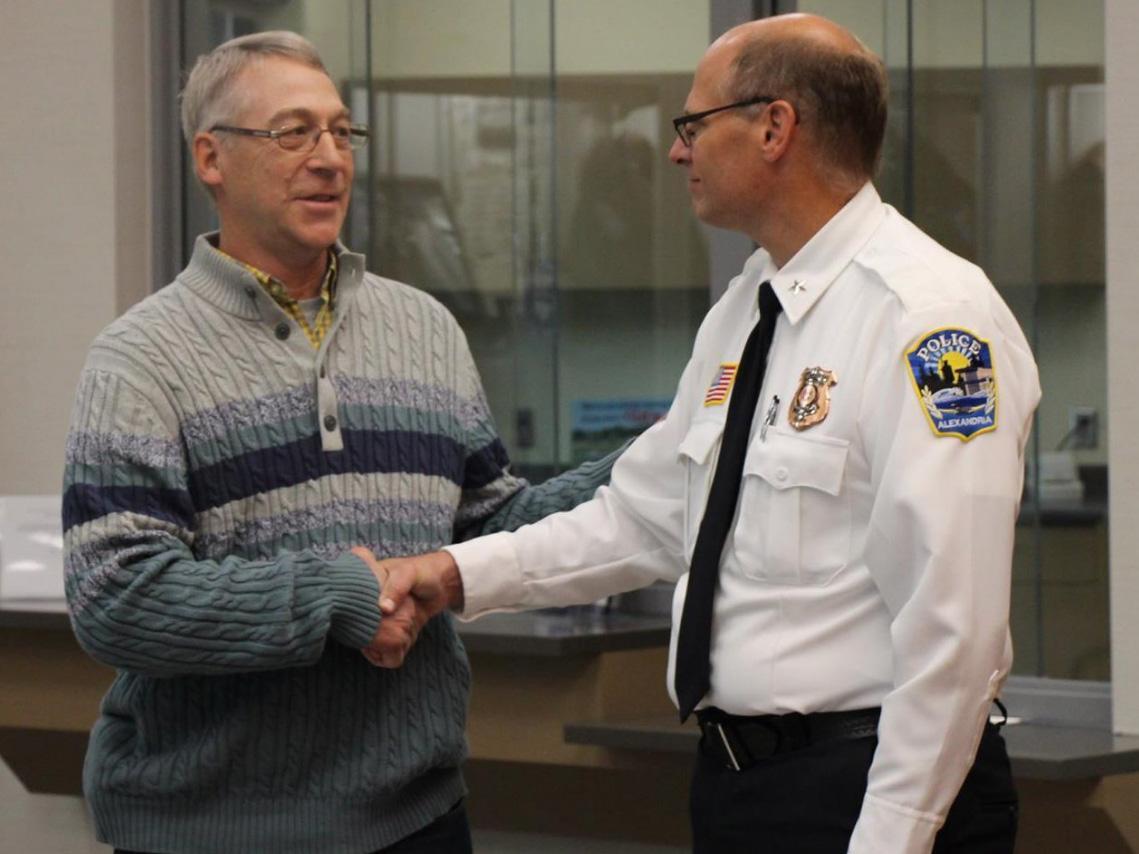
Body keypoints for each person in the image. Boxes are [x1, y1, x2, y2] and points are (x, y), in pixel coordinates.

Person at [375, 13, 1040, 854]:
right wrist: (453, 573)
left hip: (872, 791)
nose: (675, 151)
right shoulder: (745, 311)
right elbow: (645, 517)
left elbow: (953, 624)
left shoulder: (929, 318)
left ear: (773, 127)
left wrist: (890, 840)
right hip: (741, 786)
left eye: (692, 125)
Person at [62, 30, 617, 854]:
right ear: (210, 158)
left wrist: (657, 462)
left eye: (340, 132)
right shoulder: (140, 359)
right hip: (210, 831)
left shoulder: (423, 328)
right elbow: (116, 600)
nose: (329, 159)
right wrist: (336, 599)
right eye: (293, 133)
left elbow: (489, 529)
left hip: (418, 819)